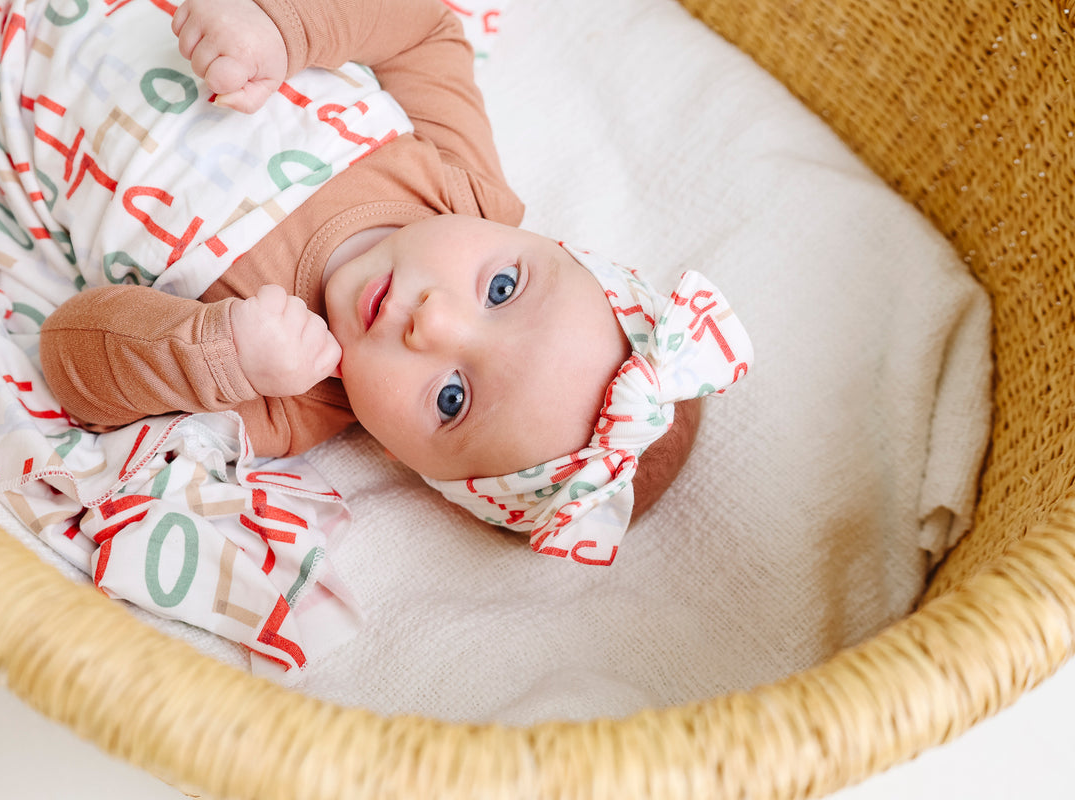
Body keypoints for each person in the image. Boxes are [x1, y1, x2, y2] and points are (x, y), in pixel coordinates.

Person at [40, 0, 751, 564]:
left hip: (25, 56)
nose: (432, 323)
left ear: (400, 458)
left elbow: (70, 357)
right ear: (538, 242)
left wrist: (217, 351)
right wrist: (285, 31)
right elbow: (424, 30)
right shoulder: (459, 185)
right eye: (502, 290)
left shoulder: (285, 398)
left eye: (451, 398)